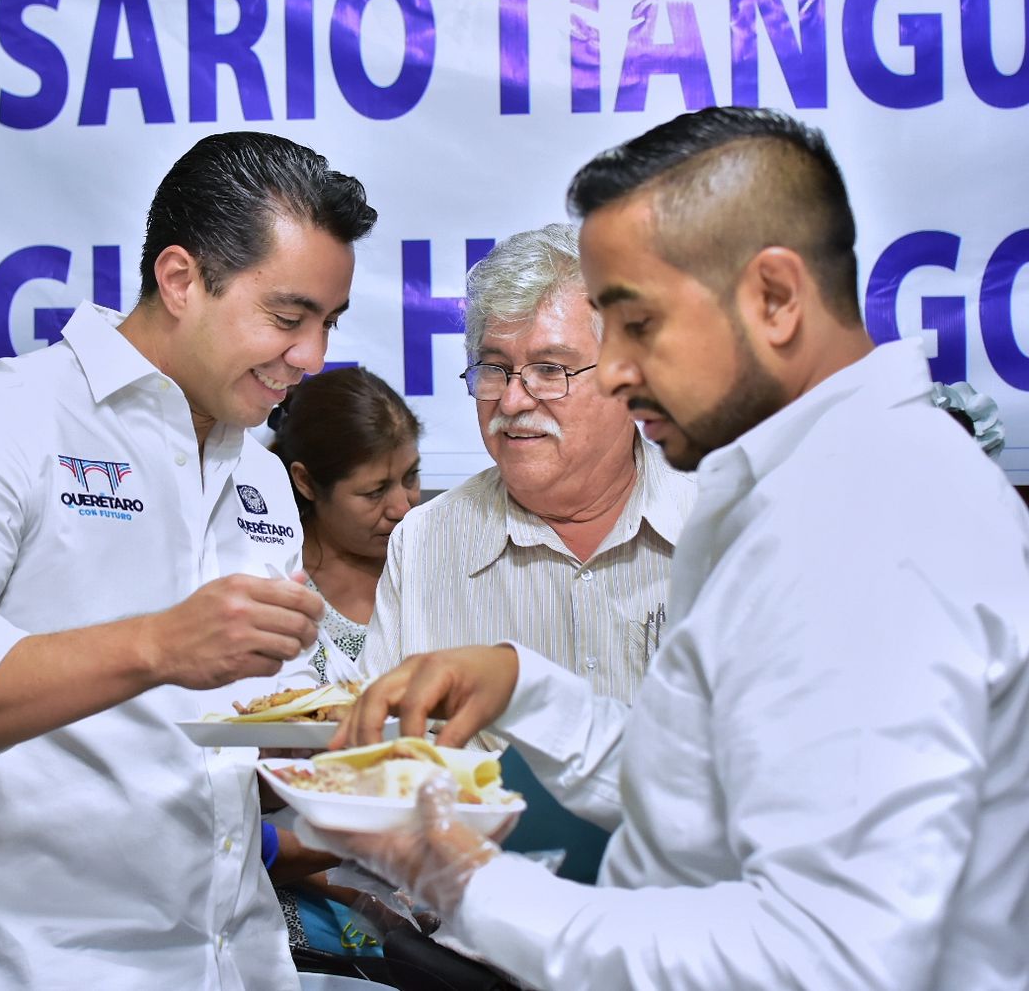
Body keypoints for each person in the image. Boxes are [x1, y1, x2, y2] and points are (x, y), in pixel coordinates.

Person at [325, 107, 1029, 990]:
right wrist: (525, 682)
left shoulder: (874, 517)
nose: (614, 371)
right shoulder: (781, 482)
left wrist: (460, 883)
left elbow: (823, 956)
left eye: (637, 324)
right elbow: (702, 794)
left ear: (775, 298)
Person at [0, 131, 377, 989]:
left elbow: (228, 738)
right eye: (287, 317)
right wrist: (153, 646)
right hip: (39, 967)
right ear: (179, 279)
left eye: (328, 324)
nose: (312, 355)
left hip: (238, 962)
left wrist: (360, 751)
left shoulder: (263, 474)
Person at [359, 223, 696, 883]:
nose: (512, 401)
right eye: (494, 369)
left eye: (549, 369)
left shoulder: (717, 523)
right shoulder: (425, 544)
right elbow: (380, 771)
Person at [271, 366, 423, 684]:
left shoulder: (439, 566)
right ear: (306, 482)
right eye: (374, 492)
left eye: (411, 476)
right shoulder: (275, 577)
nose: (402, 508)